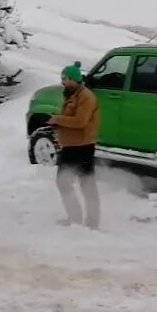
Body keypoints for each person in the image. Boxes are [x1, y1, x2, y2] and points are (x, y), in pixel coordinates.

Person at [49, 61, 101, 229]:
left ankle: (92, 222)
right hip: (70, 146)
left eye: (64, 79)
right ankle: (75, 217)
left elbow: (80, 121)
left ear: (73, 79)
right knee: (63, 182)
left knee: (86, 184)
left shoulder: (86, 97)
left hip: (83, 146)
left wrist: (57, 119)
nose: (62, 82)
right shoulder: (72, 95)